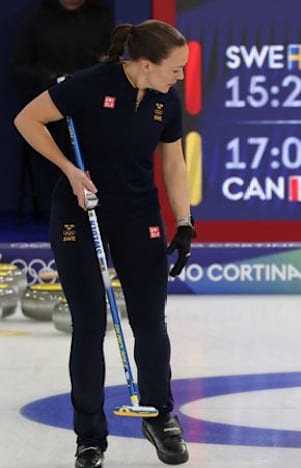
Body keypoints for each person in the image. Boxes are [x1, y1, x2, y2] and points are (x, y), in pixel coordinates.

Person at [13, 19, 195, 467]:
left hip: (138, 215)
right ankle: (90, 436)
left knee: (151, 322)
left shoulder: (164, 101)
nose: (181, 77)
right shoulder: (88, 86)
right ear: (146, 64)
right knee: (91, 325)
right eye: (175, 68)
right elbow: (27, 119)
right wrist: (69, 171)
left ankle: (158, 416)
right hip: (81, 211)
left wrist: (185, 221)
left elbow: (173, 163)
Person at [10, 0, 113, 221]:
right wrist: (51, 80)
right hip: (50, 106)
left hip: (92, 108)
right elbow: (19, 68)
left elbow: (112, 64)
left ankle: (95, 211)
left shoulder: (101, 17)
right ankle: (59, 215)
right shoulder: (37, 19)